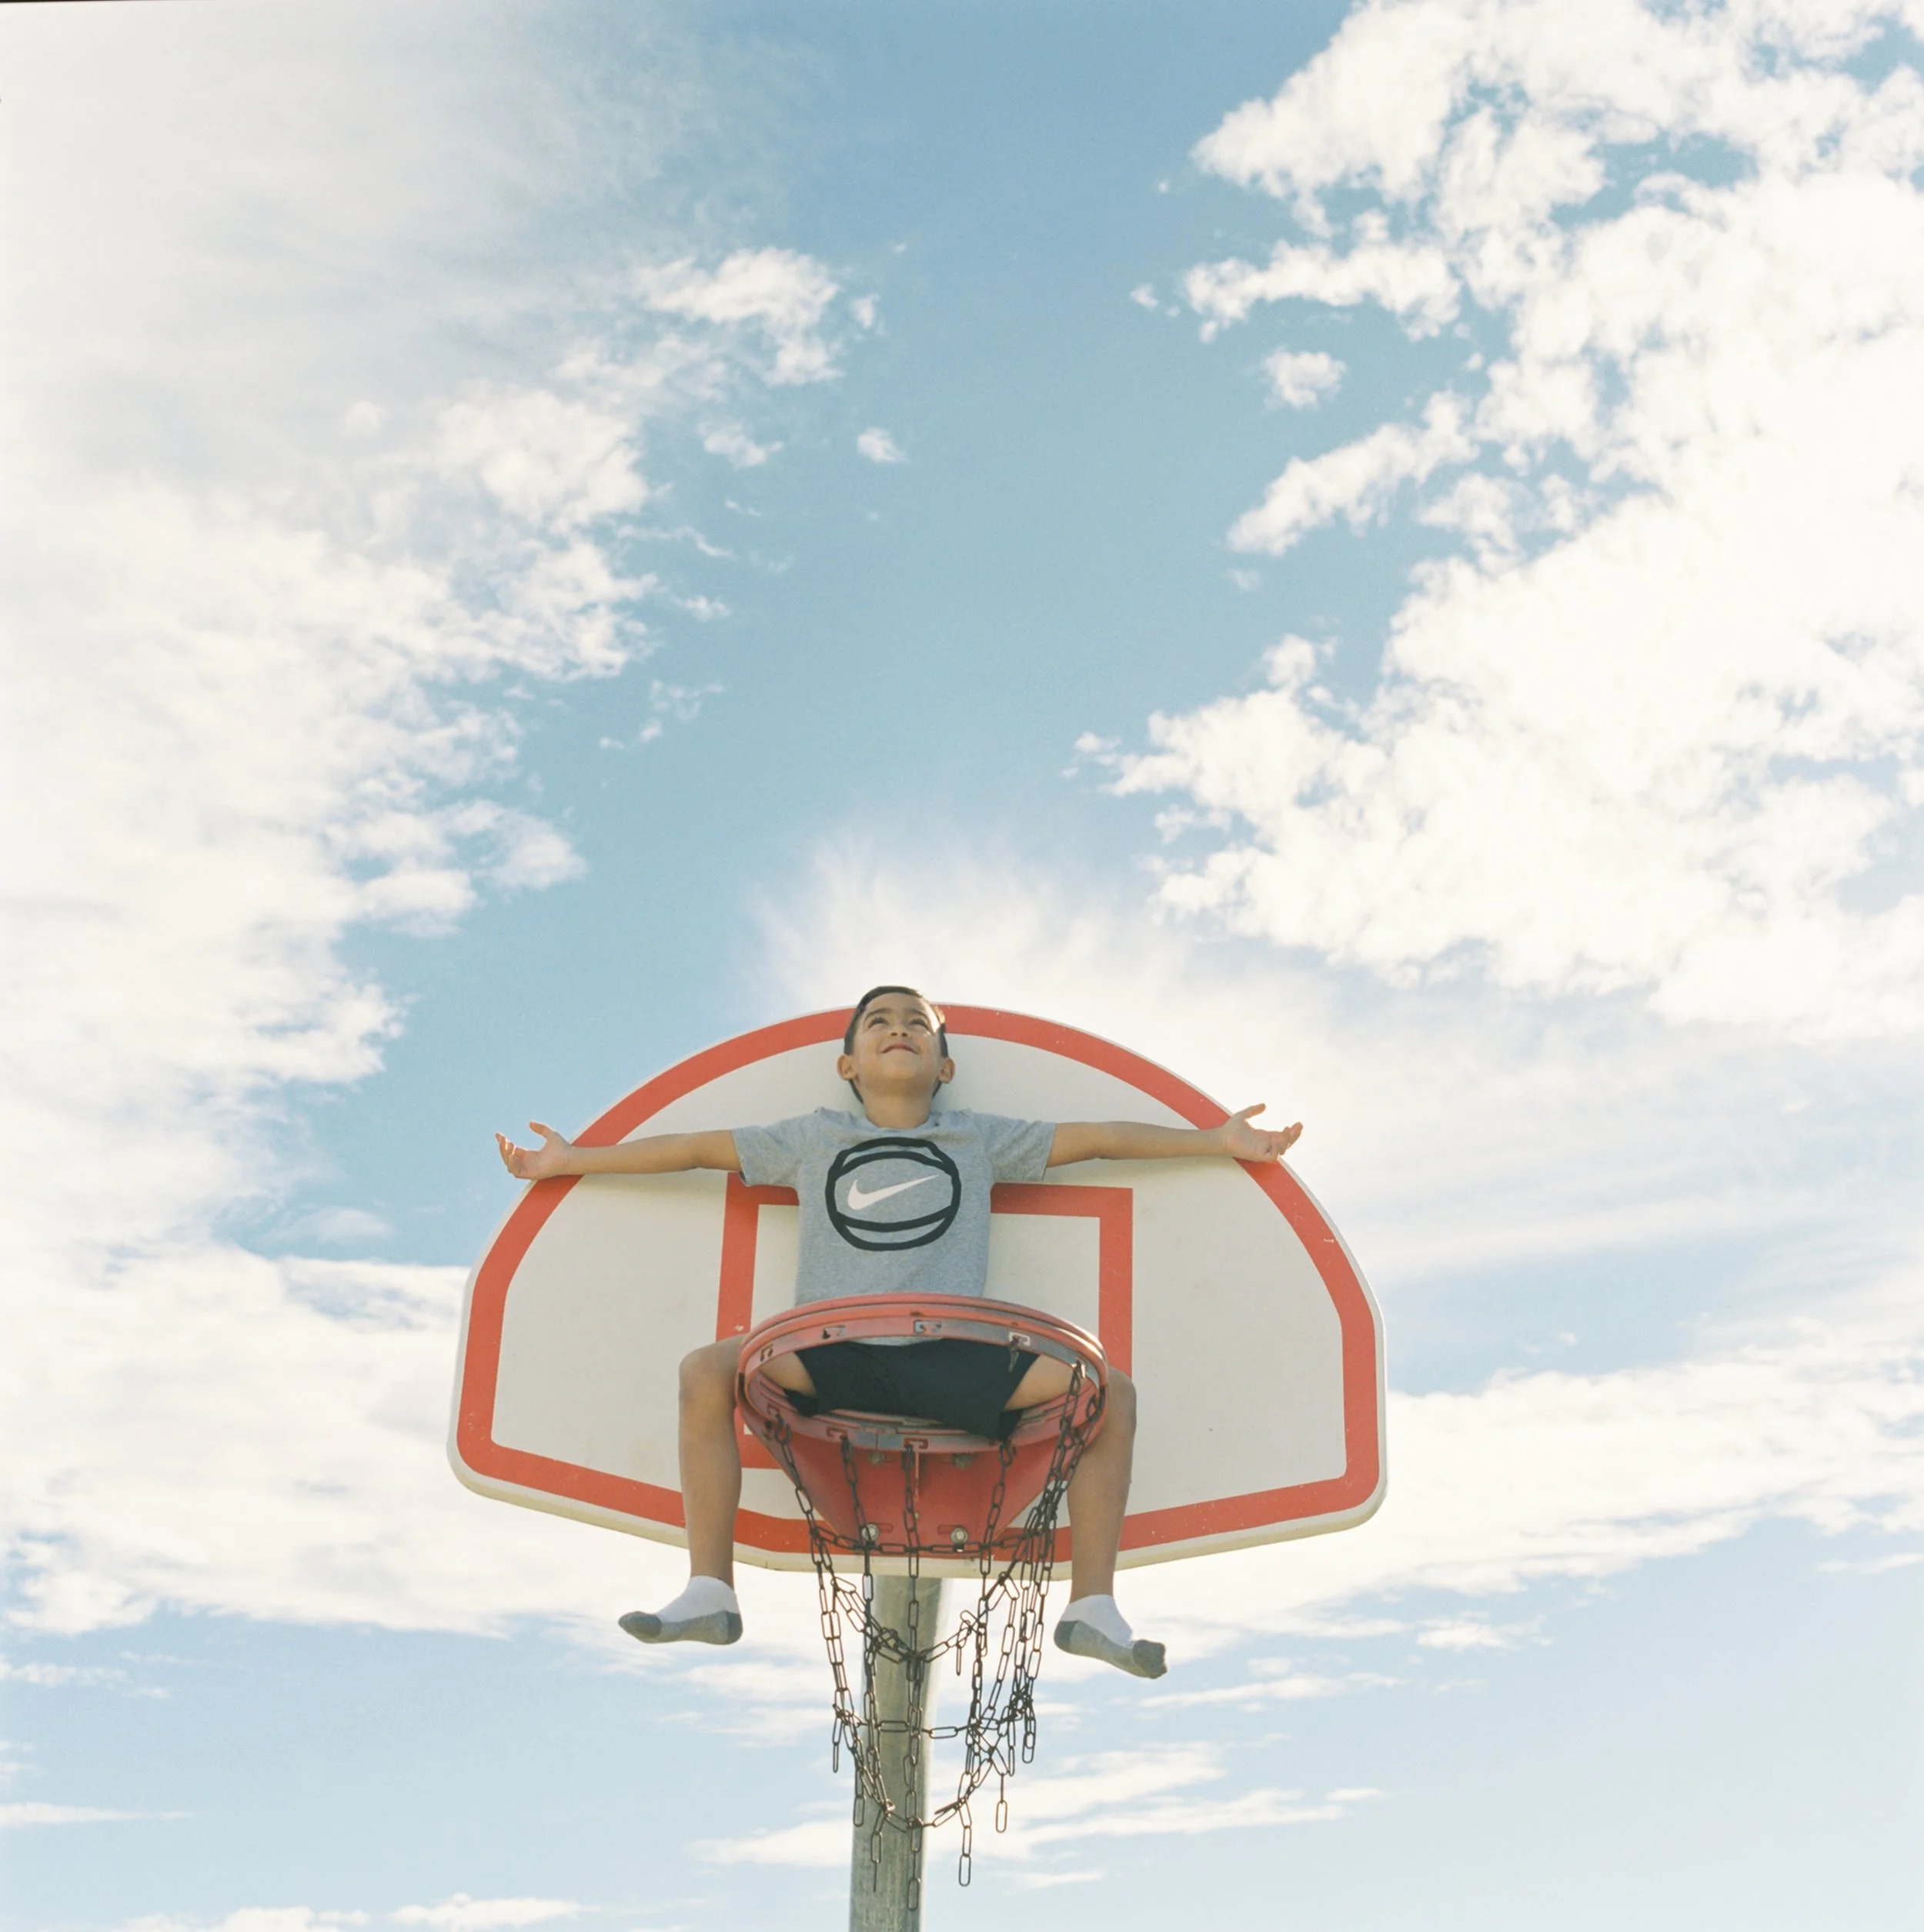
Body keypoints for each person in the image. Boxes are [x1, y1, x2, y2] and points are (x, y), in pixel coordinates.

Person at [496, 985, 1301, 1680]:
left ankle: (1092, 1605)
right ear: (846, 1064)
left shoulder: (978, 1137)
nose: (900, 1029)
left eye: (919, 1023)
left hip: (950, 1355)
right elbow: (693, 1150)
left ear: (944, 1068)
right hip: (833, 1356)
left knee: (1108, 1391)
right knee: (706, 1369)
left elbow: (1100, 1139)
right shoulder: (812, 1137)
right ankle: (710, 1588)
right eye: (879, 1021)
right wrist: (573, 1161)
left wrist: (1215, 1140)